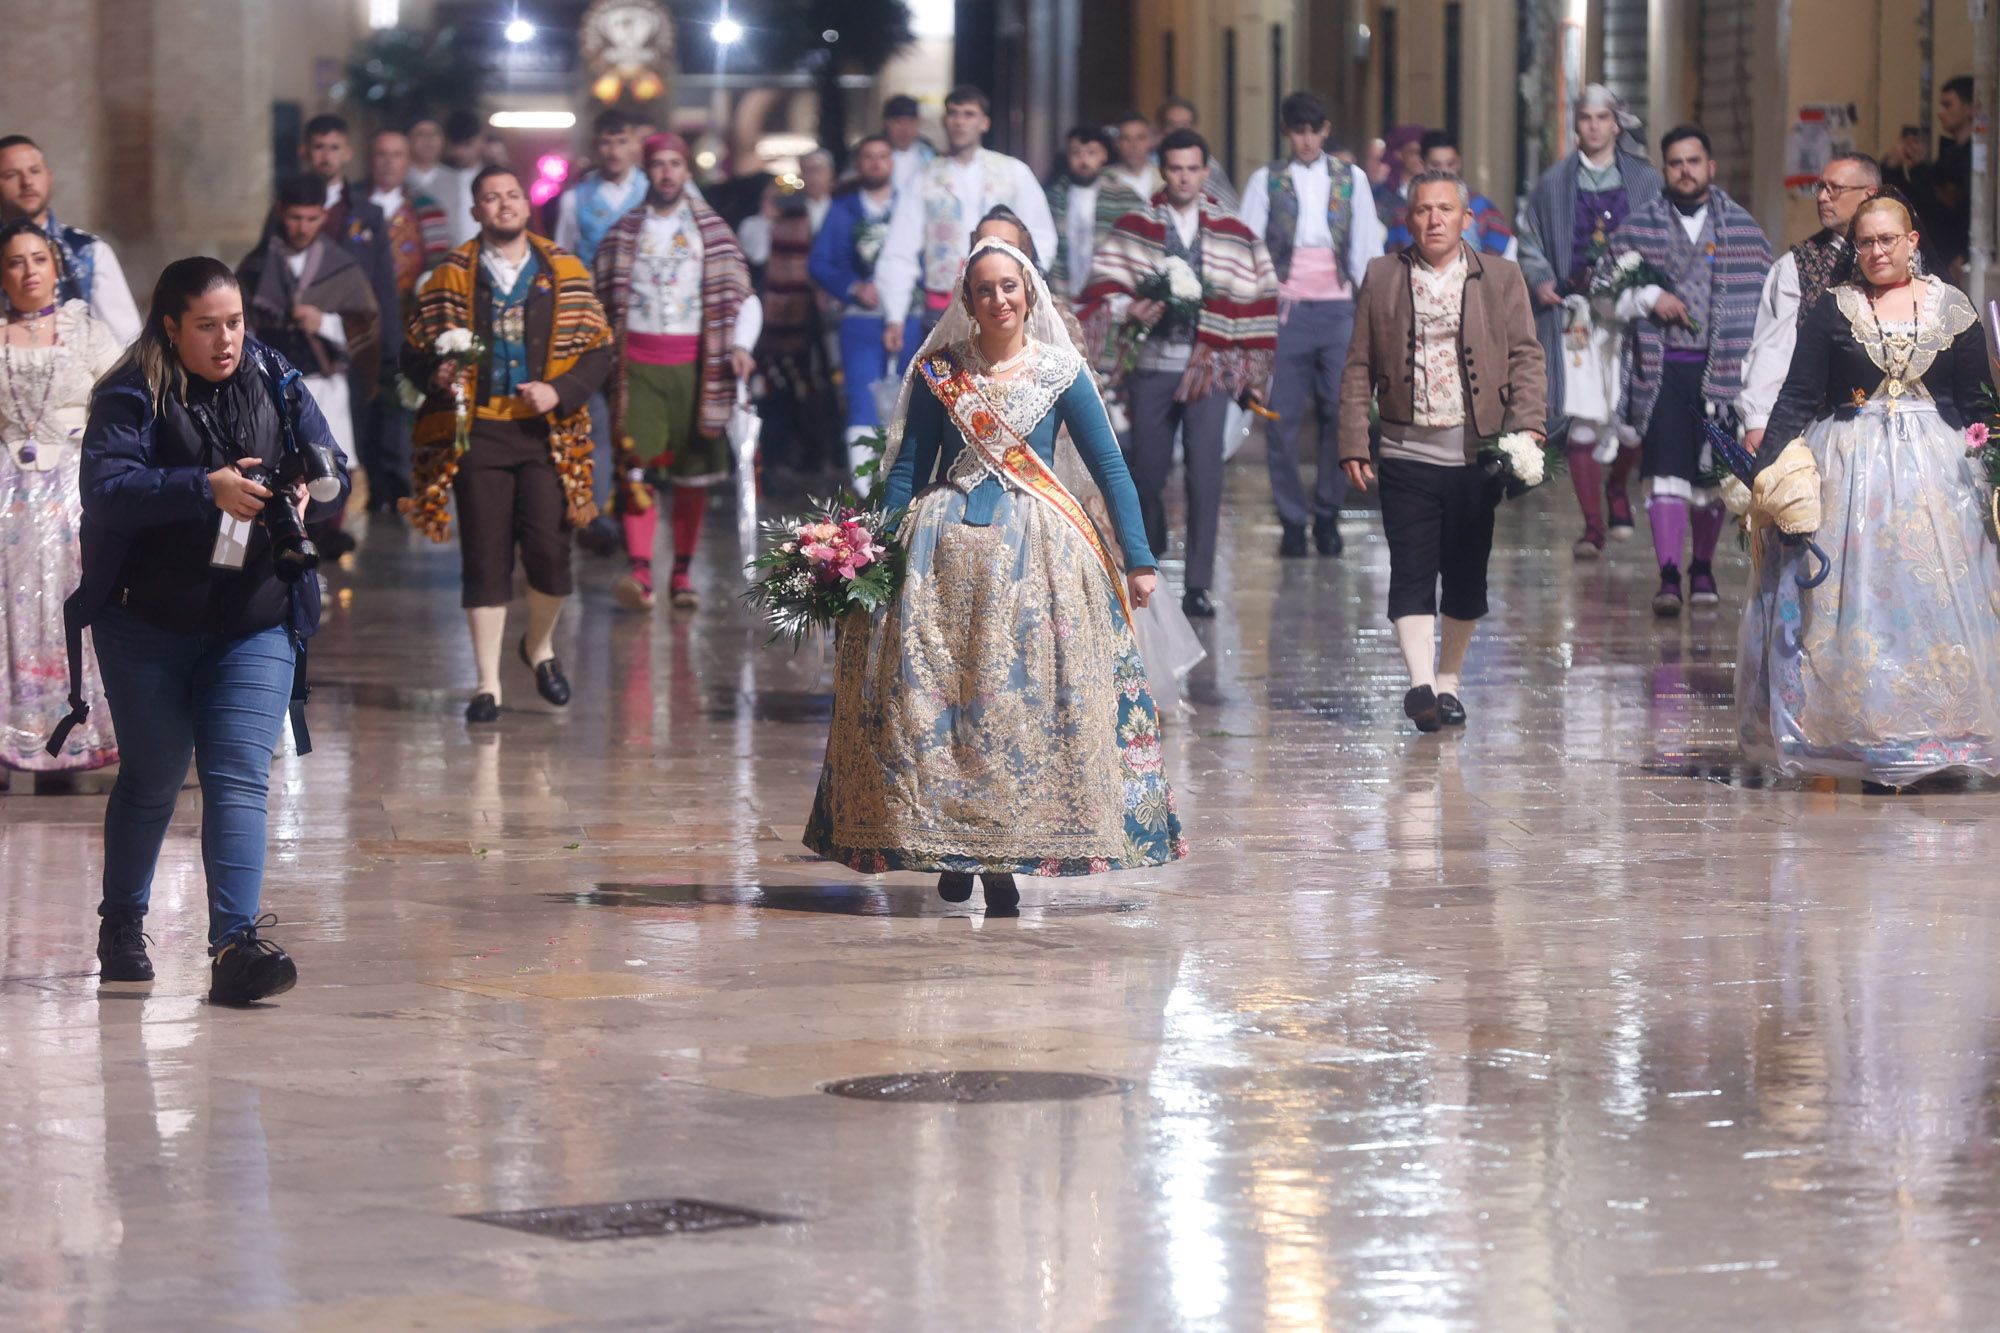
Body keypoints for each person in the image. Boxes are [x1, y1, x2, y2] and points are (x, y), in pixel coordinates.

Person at [803, 238, 1185, 913]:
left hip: (1038, 560)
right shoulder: (940, 372)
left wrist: (1142, 558)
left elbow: (1111, 467)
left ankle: (1002, 861)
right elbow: (906, 469)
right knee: (940, 709)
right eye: (985, 289)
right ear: (968, 301)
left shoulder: (1061, 371)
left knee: (1017, 710)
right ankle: (951, 845)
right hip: (940, 558)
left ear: (1028, 293)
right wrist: (866, 553)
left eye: (1009, 286)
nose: (999, 299)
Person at [72, 256, 350, 1002]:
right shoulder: (132, 389)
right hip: (147, 620)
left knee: (236, 776)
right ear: (171, 326)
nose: (227, 340)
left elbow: (337, 472)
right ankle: (122, 924)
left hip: (253, 614)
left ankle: (234, 945)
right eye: (207, 326)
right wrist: (205, 488)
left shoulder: (274, 376)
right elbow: (104, 491)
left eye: (234, 322)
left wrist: (308, 486)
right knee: (154, 778)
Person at [1737, 192, 2000, 786]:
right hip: (1851, 477)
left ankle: (1942, 730)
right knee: (1859, 605)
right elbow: (1800, 394)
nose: (1877, 251)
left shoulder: (1952, 307)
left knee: (1932, 604)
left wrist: (1989, 474)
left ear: (1912, 242)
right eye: (1866, 242)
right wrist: (1767, 471)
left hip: (1940, 482)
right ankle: (1862, 729)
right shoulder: (1835, 309)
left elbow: (1980, 402)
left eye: (1888, 239)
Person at [400, 166, 614, 722]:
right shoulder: (449, 274)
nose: (503, 205)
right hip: (480, 431)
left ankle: (538, 645)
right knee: (485, 552)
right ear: (474, 212)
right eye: (490, 199)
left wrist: (559, 390)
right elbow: (414, 350)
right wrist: (437, 375)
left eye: (512, 195)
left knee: (549, 551)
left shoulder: (563, 269)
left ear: (527, 204)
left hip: (547, 433)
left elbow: (598, 348)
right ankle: (487, 684)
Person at [1336, 171, 1546, 733]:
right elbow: (1358, 364)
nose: (1434, 220)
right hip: (1406, 452)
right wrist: (1355, 437)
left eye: (1445, 209)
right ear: (1409, 219)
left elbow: (1527, 354)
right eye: (1424, 209)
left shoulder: (1500, 276)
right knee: (1409, 567)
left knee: (1465, 572)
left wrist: (1528, 426)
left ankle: (1449, 682)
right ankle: (1420, 684)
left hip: (1476, 455)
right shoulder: (1383, 276)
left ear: (1465, 218)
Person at [1081, 128, 1278, 619]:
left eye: (1193, 169)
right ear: (1162, 171)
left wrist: (1246, 366)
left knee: (1205, 474)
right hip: (1151, 369)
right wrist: (1130, 307)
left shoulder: (1233, 230)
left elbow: (1259, 287)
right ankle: (1148, 565)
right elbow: (1099, 289)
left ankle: (1198, 586)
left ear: (1205, 172)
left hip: (1209, 370)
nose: (1184, 177)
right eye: (1175, 169)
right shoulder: (1135, 224)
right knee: (1145, 474)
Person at [1605, 125, 1772, 617]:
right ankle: (1669, 576)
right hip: (1661, 373)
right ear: (1665, 169)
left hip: (1722, 374)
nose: (1685, 170)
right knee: (1664, 473)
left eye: (1693, 161)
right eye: (1675, 162)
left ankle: (1703, 566)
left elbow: (1763, 303)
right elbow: (1603, 287)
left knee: (1712, 475)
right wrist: (1649, 297)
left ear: (1710, 167)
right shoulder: (1639, 227)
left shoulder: (1742, 229)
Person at [593, 133, 760, 613]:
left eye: (675, 164)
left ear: (687, 171)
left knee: (693, 472)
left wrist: (742, 347)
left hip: (696, 366)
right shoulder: (623, 233)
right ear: (647, 172)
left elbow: (744, 296)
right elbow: (596, 297)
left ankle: (682, 571)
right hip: (637, 366)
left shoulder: (714, 232)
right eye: (658, 165)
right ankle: (641, 570)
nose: (666, 173)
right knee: (636, 466)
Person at [1517, 85, 1664, 557]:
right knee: (1581, 417)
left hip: (1632, 314)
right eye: (1586, 117)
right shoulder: (1553, 184)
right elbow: (1530, 239)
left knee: (1633, 417)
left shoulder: (1645, 181)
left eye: (1603, 117)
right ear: (1575, 123)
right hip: (1575, 316)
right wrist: (1540, 277)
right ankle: (1593, 526)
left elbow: (1667, 237)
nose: (1595, 126)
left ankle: (1618, 488)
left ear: (1617, 124)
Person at [0, 221, 121, 788]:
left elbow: (125, 400)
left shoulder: (83, 328)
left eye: (38, 259)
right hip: (8, 496)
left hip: (74, 492)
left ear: (55, 266)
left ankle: (80, 735)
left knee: (75, 605)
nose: (29, 272)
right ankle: (12, 740)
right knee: (12, 614)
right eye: (16, 262)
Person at [1239, 91, 1386, 558]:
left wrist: (1372, 308)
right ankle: (1291, 518)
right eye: (1298, 130)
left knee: (1338, 413)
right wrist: (1253, 311)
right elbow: (1250, 247)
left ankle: (1327, 512)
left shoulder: (1351, 179)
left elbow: (1364, 243)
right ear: (1287, 131)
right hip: (1285, 310)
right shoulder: (1268, 180)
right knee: (1279, 419)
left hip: (1338, 307)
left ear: (1325, 131)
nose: (1306, 140)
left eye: (1314, 130)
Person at [876, 86, 1058, 355]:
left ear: (984, 122)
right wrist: (895, 314)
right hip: (943, 305)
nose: (960, 121)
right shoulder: (925, 177)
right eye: (953, 114)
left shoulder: (1014, 172)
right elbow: (900, 246)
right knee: (947, 388)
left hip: (1003, 304)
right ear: (945, 121)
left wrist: (1026, 286)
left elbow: (1040, 236)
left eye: (969, 114)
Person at [237, 175, 382, 478]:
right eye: (295, 217)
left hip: (325, 385)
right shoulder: (255, 266)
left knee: (329, 474)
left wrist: (325, 322)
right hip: (268, 389)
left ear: (324, 215)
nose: (303, 227)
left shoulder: (342, 266)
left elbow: (367, 327)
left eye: (311, 218)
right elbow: (240, 325)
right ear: (280, 211)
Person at [1737, 153, 1880, 442]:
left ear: (1869, 194)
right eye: (1820, 188)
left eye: (1834, 189)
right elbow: (1774, 348)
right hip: (1822, 425)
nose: (1823, 197)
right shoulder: (1797, 264)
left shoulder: (1906, 260)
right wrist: (1758, 420)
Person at [811, 135, 919, 480]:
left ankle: (905, 479)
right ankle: (865, 483)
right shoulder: (843, 209)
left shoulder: (910, 205)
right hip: (861, 319)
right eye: (868, 157)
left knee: (911, 397)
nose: (876, 163)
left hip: (911, 316)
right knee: (862, 395)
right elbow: (820, 262)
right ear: (859, 164)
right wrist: (853, 287)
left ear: (893, 162)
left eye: (883, 156)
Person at [364, 128, 450, 516]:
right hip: (361, 326)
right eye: (381, 154)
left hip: (408, 323)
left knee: (402, 405)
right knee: (367, 406)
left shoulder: (427, 208)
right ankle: (372, 484)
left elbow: (440, 264)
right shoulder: (354, 205)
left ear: (406, 161)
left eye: (396, 155)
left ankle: (400, 486)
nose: (388, 162)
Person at [0, 136, 142, 346]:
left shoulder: (88, 252)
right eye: (11, 175)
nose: (27, 182)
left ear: (49, 177)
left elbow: (128, 344)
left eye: (35, 171)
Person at [749, 164, 837, 486]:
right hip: (778, 321)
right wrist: (767, 215)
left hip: (814, 316)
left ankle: (819, 452)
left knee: (815, 386)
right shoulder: (767, 221)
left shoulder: (825, 215)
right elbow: (758, 255)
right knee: (780, 387)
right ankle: (780, 454)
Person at [1044, 125, 1144, 304]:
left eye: (1091, 153)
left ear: (1104, 155)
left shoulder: (1125, 196)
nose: (1083, 160)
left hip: (1108, 290)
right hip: (1063, 286)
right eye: (1076, 153)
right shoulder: (1053, 197)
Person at [1385, 131, 1515, 259]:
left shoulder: (1483, 209)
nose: (1445, 171)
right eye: (1436, 165)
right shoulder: (1404, 215)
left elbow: (1504, 257)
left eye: (1451, 164)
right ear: (1422, 164)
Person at [553, 110, 647, 268]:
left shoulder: (650, 190)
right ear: (595, 145)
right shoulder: (576, 198)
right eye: (606, 142)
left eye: (622, 141)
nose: (614, 152)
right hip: (592, 289)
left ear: (636, 144)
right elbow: (563, 254)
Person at [407, 115, 477, 250]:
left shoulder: (459, 181)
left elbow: (466, 228)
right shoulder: (399, 180)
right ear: (408, 140)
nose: (429, 140)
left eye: (434, 134)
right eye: (421, 134)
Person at [1157, 98, 1239, 209]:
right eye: (1171, 125)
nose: (1178, 130)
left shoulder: (1208, 164)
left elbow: (1229, 207)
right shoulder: (1148, 160)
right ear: (1161, 128)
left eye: (1185, 125)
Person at [882, 94, 936, 195]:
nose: (905, 129)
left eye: (911, 121)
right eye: (898, 122)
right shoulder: (873, 153)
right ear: (887, 123)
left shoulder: (929, 154)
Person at [1110, 111, 1162, 201]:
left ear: (1151, 141)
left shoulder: (1164, 178)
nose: (1134, 145)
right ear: (1116, 143)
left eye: (1140, 138)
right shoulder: (1103, 181)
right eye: (1126, 138)